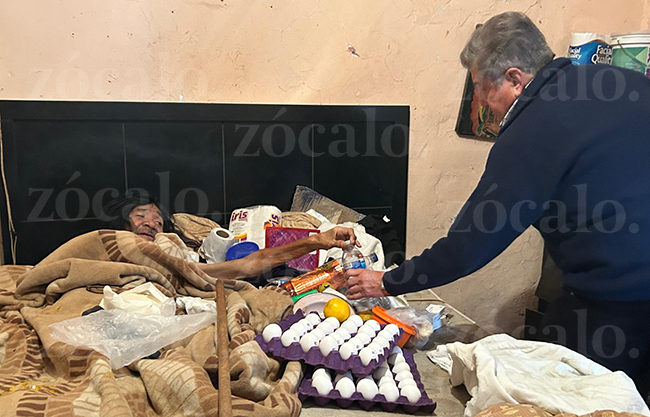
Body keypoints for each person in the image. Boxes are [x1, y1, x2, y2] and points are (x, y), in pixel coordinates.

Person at [344, 11, 650, 394]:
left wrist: (388, 281)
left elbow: (470, 244)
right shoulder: (623, 81)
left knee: (578, 396)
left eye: (483, 89)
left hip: (620, 302)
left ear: (515, 79)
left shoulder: (532, 127)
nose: (483, 102)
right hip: (627, 285)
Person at [101, 193, 360, 279]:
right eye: (141, 216)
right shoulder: (105, 247)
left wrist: (316, 241)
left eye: (158, 221)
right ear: (122, 222)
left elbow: (246, 265)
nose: (151, 224)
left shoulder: (176, 255)